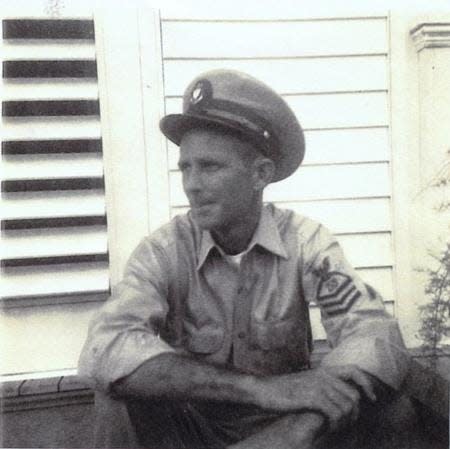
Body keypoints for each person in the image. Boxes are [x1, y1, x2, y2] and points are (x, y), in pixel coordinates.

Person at [78, 69, 411, 449]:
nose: (192, 184)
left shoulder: (307, 244)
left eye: (210, 166)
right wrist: (261, 389)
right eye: (186, 167)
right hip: (190, 432)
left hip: (285, 431)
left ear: (260, 174)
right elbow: (107, 346)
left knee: (394, 408)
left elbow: (373, 332)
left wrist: (305, 421)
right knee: (114, 398)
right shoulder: (165, 250)